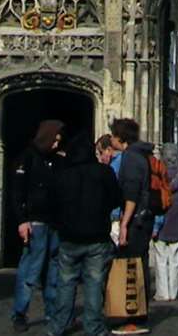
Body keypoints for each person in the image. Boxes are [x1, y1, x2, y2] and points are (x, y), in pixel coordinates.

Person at [45, 131, 121, 336]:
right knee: (94, 284)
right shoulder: (104, 173)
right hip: (96, 237)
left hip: (69, 237)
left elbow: (51, 205)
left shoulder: (62, 175)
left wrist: (60, 224)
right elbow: (115, 200)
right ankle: (93, 327)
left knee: (66, 283)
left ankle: (58, 325)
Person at [11, 119, 65, 333]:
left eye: (59, 141)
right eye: (54, 141)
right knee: (30, 271)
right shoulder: (27, 158)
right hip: (35, 222)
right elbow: (17, 192)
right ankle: (20, 312)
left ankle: (51, 312)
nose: (56, 145)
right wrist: (22, 220)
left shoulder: (57, 161)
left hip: (54, 223)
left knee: (53, 272)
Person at [110, 117, 154, 335]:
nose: (111, 139)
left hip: (136, 220)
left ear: (120, 138)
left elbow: (132, 194)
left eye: (113, 135)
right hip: (140, 219)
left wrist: (124, 224)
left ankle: (134, 318)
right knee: (137, 265)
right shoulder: (138, 155)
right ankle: (136, 314)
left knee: (132, 267)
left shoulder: (131, 158)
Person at [149, 143, 178, 303]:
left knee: (160, 259)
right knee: (174, 260)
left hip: (162, 221)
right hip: (177, 222)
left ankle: (162, 292)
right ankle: (173, 291)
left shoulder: (159, 175)